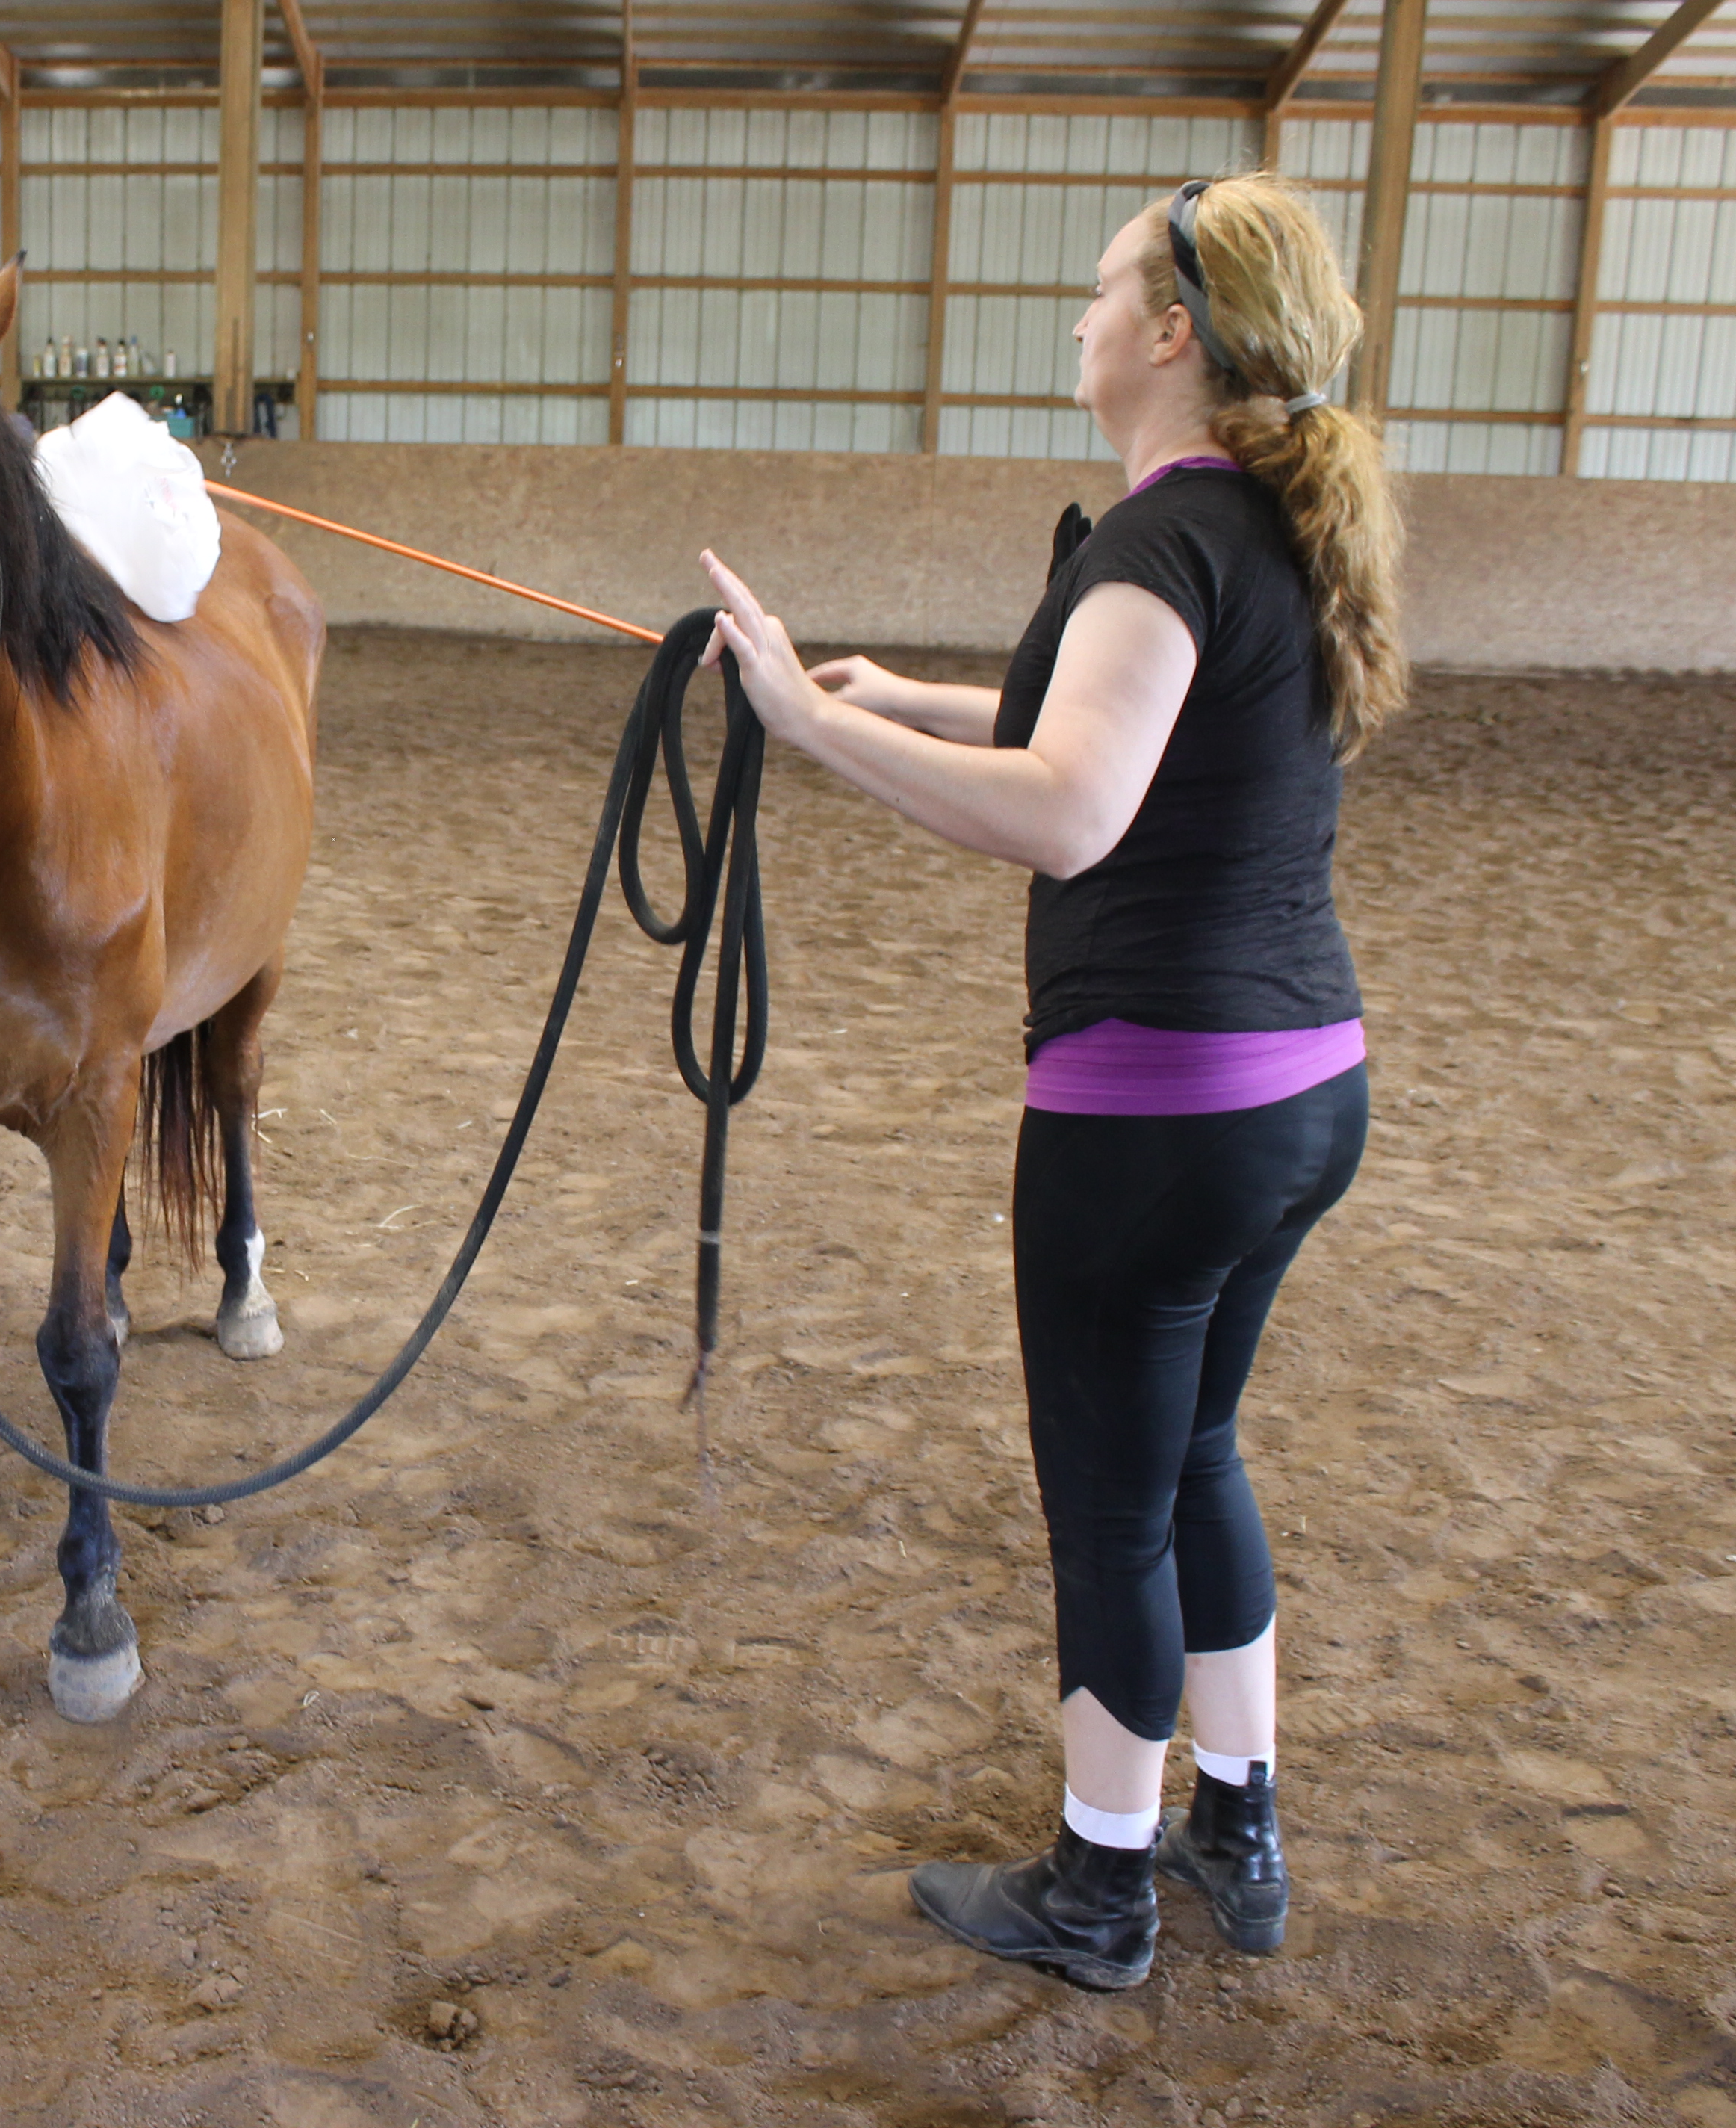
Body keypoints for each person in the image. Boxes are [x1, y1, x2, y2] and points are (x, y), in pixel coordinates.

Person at [698, 171, 1405, 1990]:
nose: (1075, 322)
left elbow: (1075, 807)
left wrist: (805, 722)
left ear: (1174, 332)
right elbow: (1117, 727)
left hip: (1154, 1108)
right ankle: (1233, 1823)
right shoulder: (1256, 527)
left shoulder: (1156, 540)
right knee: (1194, 1453)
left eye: (1101, 295)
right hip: (1298, 1087)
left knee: (1108, 1495)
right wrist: (909, 693)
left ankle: (1099, 1883)